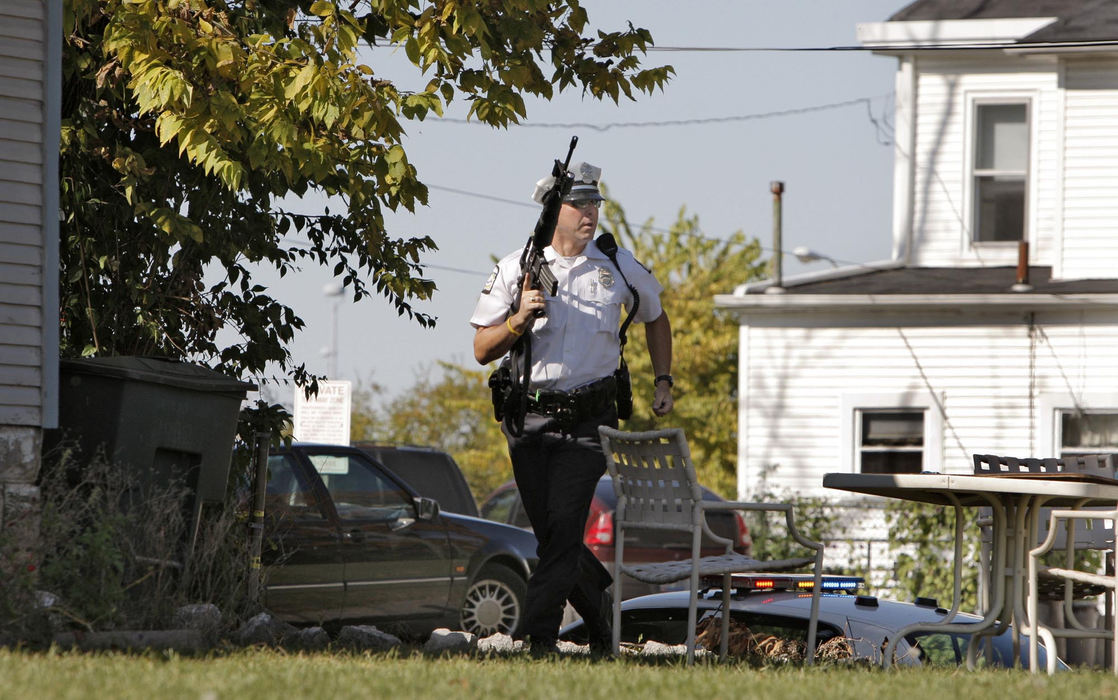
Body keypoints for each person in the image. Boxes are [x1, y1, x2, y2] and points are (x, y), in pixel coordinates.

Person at [470, 160, 674, 656]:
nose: (591, 212)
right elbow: (481, 348)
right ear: (552, 211)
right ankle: (601, 620)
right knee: (554, 536)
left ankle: (535, 640)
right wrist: (519, 318)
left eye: (595, 204)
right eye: (579, 204)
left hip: (589, 422)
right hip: (529, 420)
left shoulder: (616, 264)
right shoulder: (516, 267)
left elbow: (656, 316)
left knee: (563, 528)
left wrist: (663, 379)